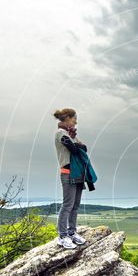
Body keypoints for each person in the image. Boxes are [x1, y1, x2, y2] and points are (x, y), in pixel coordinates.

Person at [54, 107, 88, 249]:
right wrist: (76, 144)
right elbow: (74, 149)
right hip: (67, 172)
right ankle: (62, 236)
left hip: (77, 173)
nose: (76, 121)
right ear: (67, 117)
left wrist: (75, 142)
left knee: (75, 205)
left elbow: (84, 148)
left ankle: (72, 232)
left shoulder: (70, 134)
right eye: (74, 118)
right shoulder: (60, 133)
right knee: (67, 205)